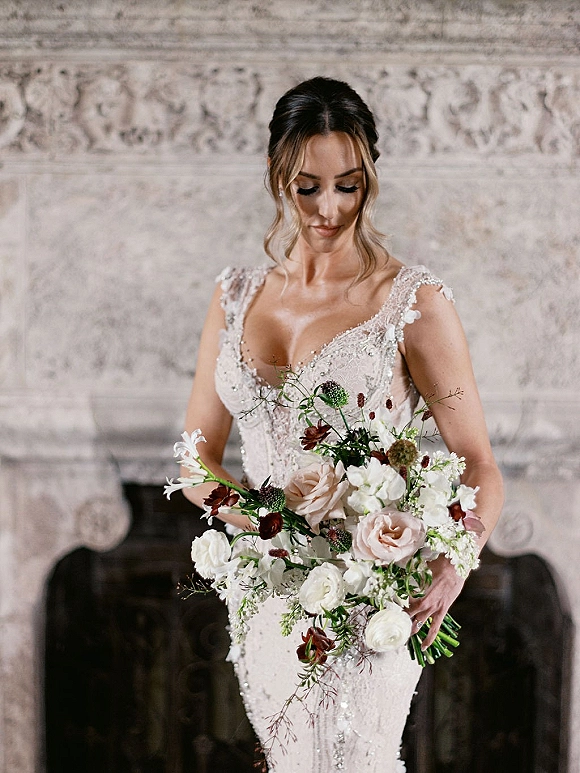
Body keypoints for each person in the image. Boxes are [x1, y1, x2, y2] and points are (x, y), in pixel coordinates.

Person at [180, 76, 504, 773]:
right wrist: (274, 524)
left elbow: (478, 461)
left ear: (370, 181)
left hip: (370, 592)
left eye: (348, 185)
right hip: (265, 596)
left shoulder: (412, 302)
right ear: (277, 178)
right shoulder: (234, 297)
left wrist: (454, 566)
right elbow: (194, 465)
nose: (329, 208)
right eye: (308, 187)